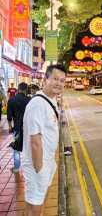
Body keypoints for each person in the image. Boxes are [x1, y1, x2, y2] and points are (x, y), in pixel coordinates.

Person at [22, 64, 66, 216]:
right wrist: (39, 168)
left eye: (62, 80)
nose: (58, 83)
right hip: (37, 164)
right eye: (55, 79)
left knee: (35, 199)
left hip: (46, 161)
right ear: (45, 79)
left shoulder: (51, 100)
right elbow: (35, 141)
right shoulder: (37, 104)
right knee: (36, 204)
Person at [7, 82, 30, 173]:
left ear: (18, 89)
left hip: (17, 128)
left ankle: (16, 168)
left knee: (16, 147)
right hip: (28, 128)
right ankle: (28, 167)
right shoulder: (30, 100)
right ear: (26, 90)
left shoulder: (12, 100)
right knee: (28, 147)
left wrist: (10, 127)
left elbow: (9, 116)